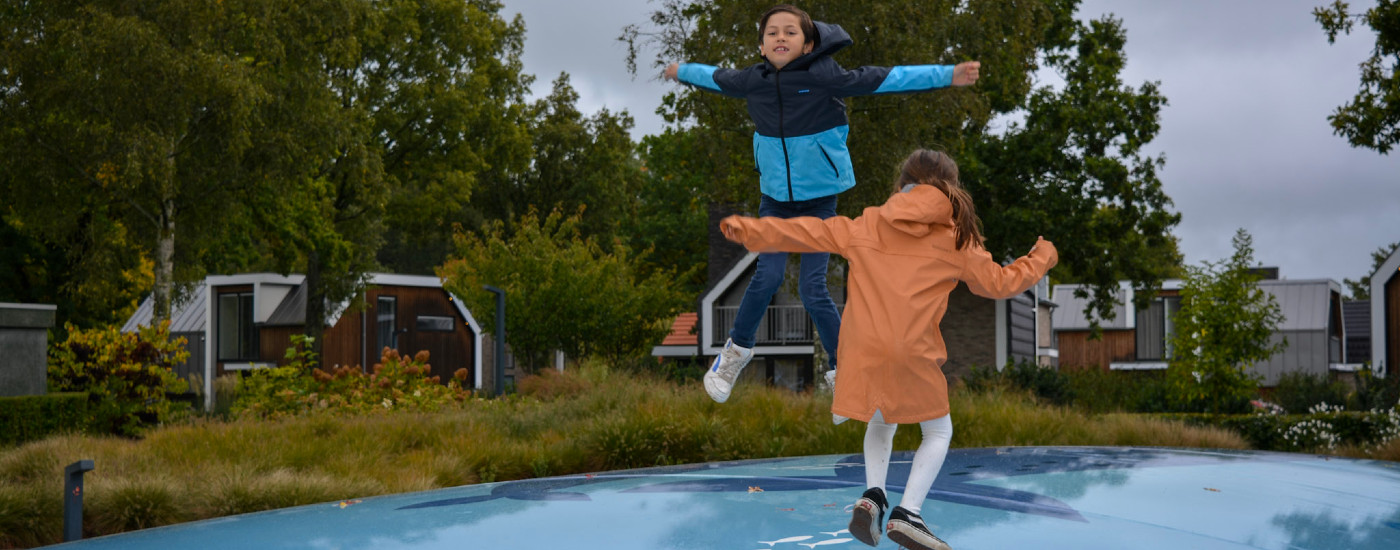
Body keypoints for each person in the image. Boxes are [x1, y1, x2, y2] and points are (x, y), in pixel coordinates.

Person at [720, 149, 1057, 550]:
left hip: (861, 348)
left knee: (881, 419)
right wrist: (1042, 257)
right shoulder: (955, 237)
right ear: (950, 188)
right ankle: (908, 513)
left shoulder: (868, 224)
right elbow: (999, 284)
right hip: (912, 350)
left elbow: (810, 231)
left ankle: (873, 496)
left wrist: (754, 230)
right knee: (937, 431)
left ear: (901, 186)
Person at [664, 4, 982, 412]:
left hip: (819, 200)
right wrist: (679, 69)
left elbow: (886, 78)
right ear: (761, 47)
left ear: (808, 43)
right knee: (768, 276)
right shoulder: (752, 81)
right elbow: (712, 76)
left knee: (814, 289)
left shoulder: (823, 77)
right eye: (772, 33)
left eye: (790, 33)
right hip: (775, 201)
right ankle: (735, 354)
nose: (780, 38)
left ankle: (842, 367)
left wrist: (947, 75)